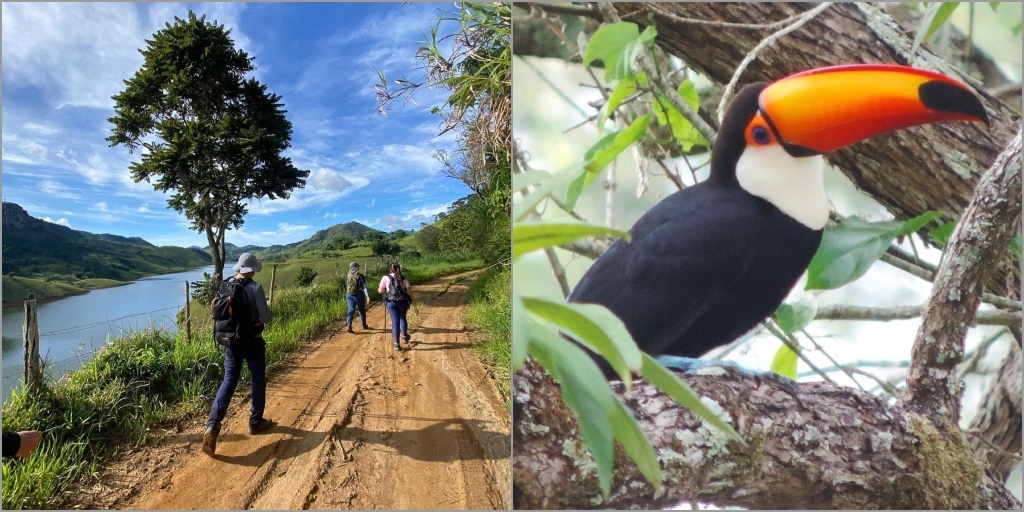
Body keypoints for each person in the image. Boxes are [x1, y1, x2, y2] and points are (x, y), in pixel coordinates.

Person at [203, 252, 274, 456]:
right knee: (258, 378)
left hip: (231, 342)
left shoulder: (227, 284)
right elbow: (266, 318)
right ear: (252, 269)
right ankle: (255, 422)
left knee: (228, 381)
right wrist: (266, 306)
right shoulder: (255, 287)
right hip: (252, 340)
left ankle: (213, 425)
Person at [378, 262, 412, 351]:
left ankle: (397, 344)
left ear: (390, 269)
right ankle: (404, 336)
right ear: (399, 269)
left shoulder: (385, 277)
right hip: (403, 302)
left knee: (395, 321)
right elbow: (408, 292)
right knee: (403, 318)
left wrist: (386, 289)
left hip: (391, 302)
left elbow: (380, 291)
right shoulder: (403, 278)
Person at [345, 262, 370, 333]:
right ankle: (364, 325)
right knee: (361, 310)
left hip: (349, 295)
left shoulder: (347, 275)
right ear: (356, 268)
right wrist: (367, 296)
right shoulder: (361, 276)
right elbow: (364, 287)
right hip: (359, 295)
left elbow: (347, 285)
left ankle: (349, 325)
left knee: (351, 310)